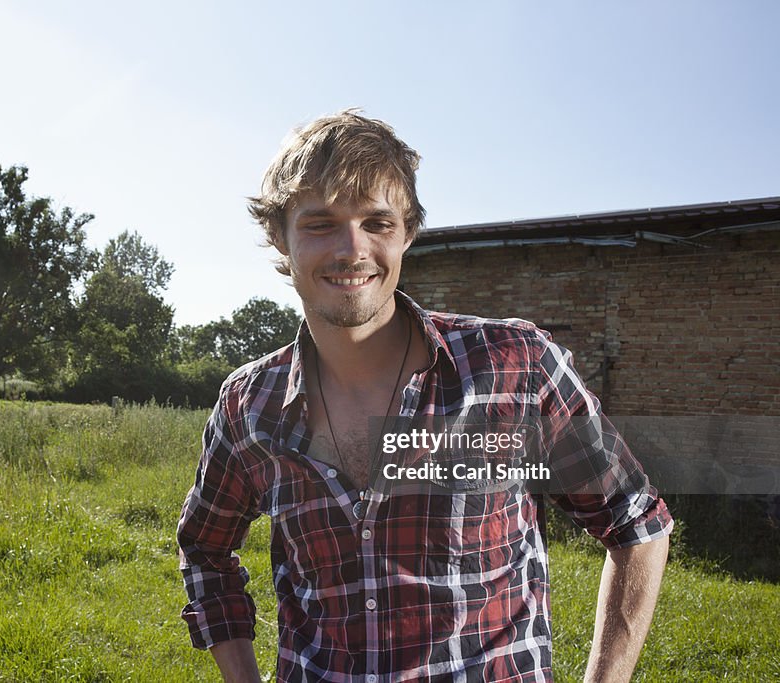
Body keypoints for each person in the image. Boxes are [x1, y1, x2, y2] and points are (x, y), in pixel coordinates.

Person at [177, 109, 672, 682]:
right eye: (320, 224)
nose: (351, 249)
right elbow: (205, 551)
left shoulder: (512, 368)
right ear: (279, 237)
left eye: (377, 223)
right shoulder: (248, 406)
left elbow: (636, 522)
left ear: (408, 232)